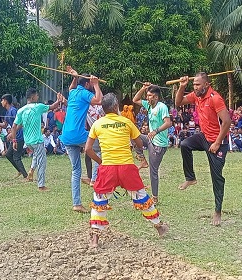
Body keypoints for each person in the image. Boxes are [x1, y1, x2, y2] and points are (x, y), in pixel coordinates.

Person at [85, 93, 168, 247]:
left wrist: (101, 162)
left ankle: (95, 239)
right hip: (127, 167)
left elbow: (88, 149)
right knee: (142, 197)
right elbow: (139, 144)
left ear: (103, 109)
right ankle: (159, 227)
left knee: (99, 200)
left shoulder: (97, 124)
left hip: (108, 167)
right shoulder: (126, 122)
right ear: (116, 107)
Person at [174, 73, 231, 226]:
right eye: (194, 85)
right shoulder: (196, 96)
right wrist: (182, 86)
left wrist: (217, 142)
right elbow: (178, 102)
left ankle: (218, 211)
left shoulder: (215, 98)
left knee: (216, 177)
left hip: (218, 141)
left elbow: (227, 122)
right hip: (204, 137)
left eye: (198, 85)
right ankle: (190, 178)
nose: (195, 87)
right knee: (185, 144)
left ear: (206, 84)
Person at [59, 67, 103, 213]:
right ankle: (94, 180)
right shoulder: (85, 93)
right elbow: (99, 100)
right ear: (86, 84)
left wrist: (74, 76)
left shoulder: (73, 92)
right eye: (89, 84)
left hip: (66, 136)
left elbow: (72, 86)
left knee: (76, 170)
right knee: (98, 150)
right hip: (79, 135)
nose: (91, 87)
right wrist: (96, 84)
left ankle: (76, 203)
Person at [9, 88, 63, 190]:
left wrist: (14, 140)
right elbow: (53, 106)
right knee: (42, 162)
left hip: (28, 141)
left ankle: (31, 172)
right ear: (33, 96)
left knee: (36, 155)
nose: (38, 97)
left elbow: (15, 126)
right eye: (37, 95)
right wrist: (59, 100)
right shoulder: (38, 106)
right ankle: (41, 185)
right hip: (37, 140)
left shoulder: (21, 110)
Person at [132, 83, 172, 204]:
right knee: (133, 136)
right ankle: (143, 161)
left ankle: (155, 197)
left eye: (149, 95)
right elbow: (135, 99)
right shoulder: (149, 105)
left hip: (159, 144)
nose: (147, 97)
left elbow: (168, 123)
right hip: (150, 139)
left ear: (155, 97)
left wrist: (155, 131)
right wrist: (143, 88)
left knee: (153, 171)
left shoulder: (162, 107)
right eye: (147, 95)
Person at [0, 94, 28, 179]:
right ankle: (20, 170)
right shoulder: (7, 112)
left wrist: (12, 133)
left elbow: (20, 123)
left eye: (2, 100)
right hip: (14, 136)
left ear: (5, 101)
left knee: (16, 157)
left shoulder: (13, 111)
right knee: (8, 155)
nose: (1, 102)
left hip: (19, 136)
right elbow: (4, 125)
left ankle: (26, 176)